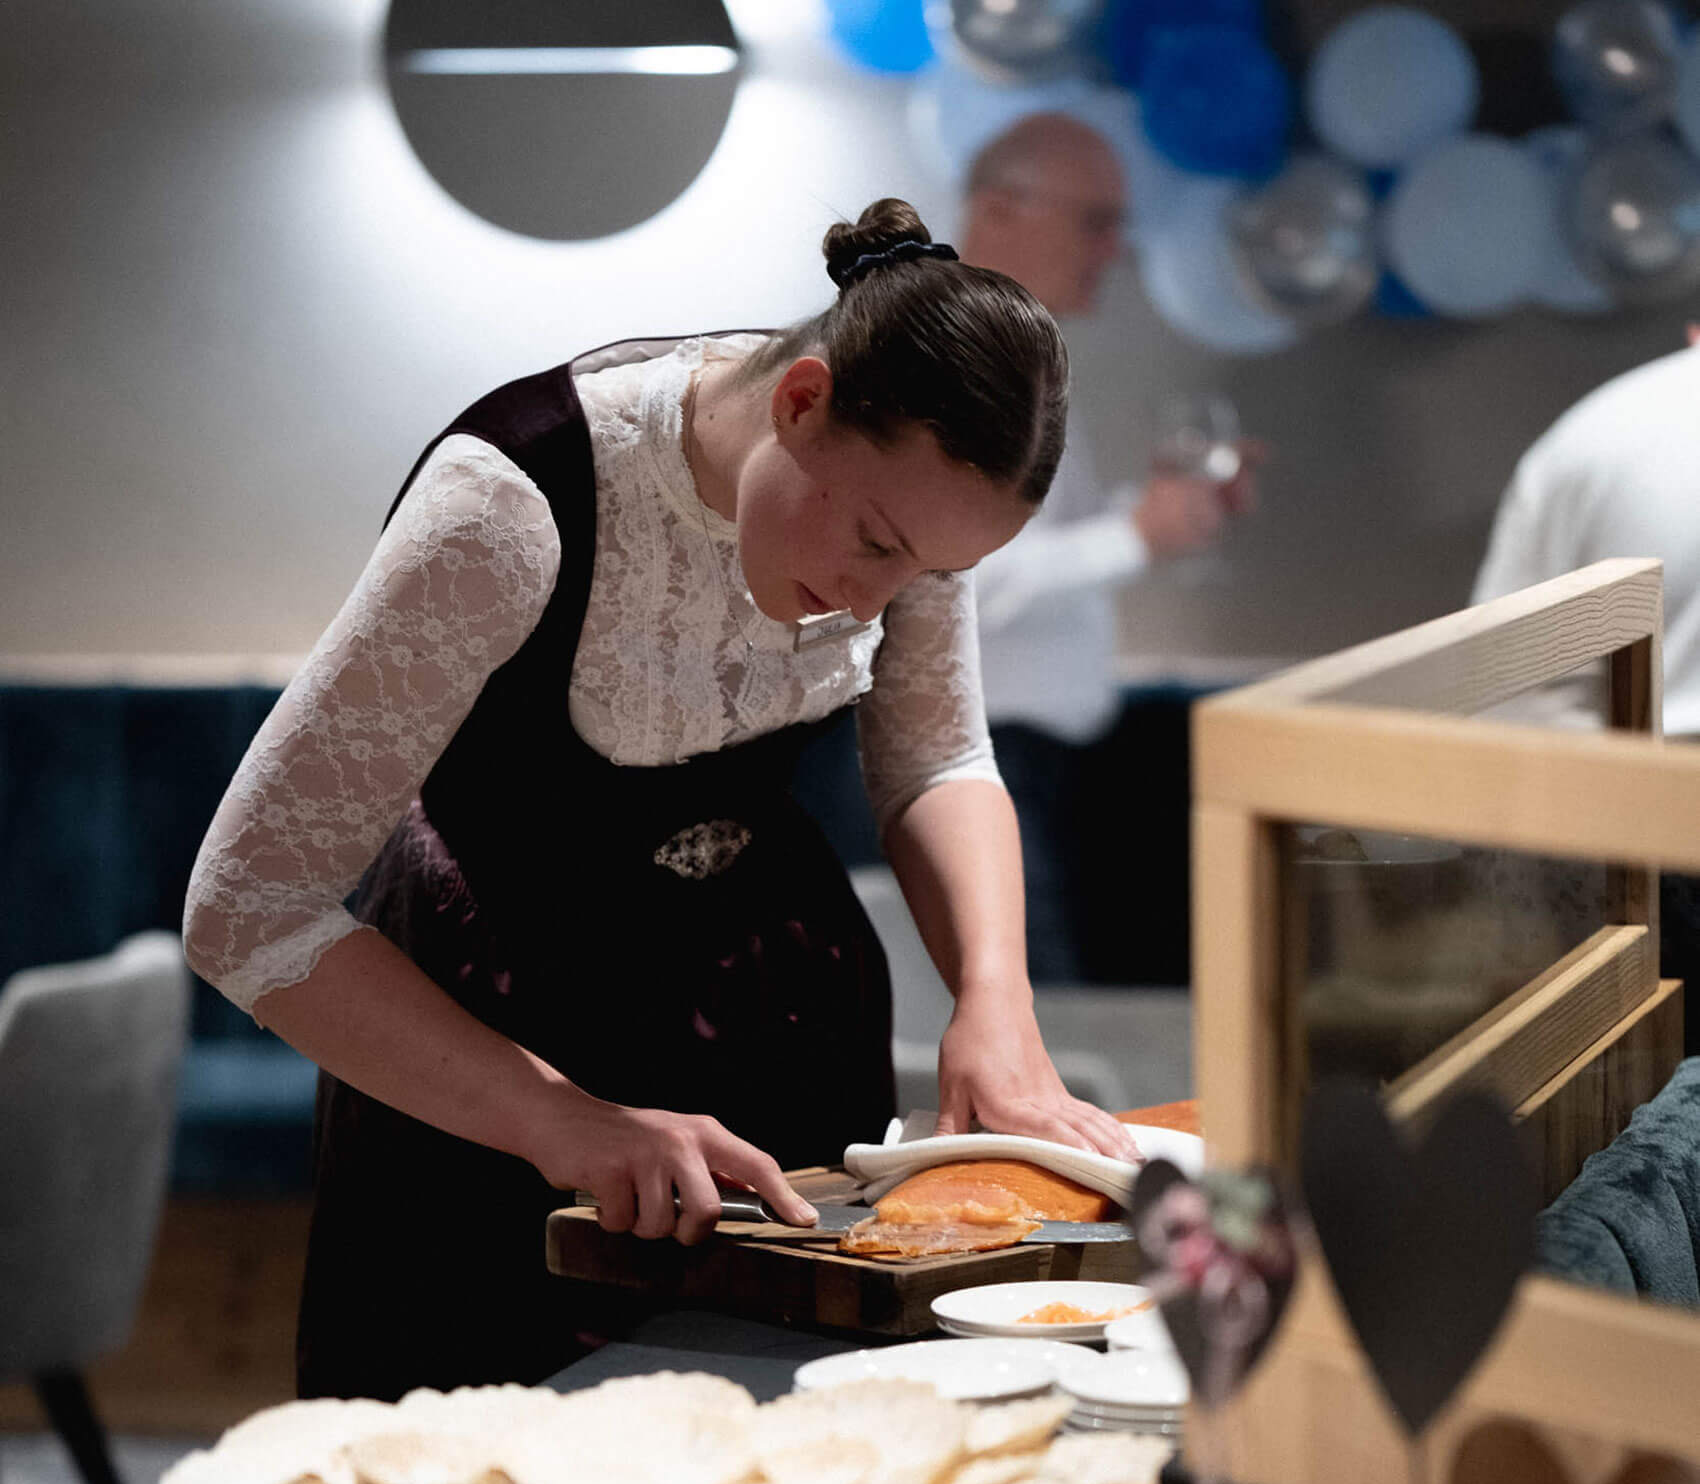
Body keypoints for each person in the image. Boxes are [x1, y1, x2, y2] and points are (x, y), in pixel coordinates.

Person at [183, 198, 1140, 1401]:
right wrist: (567, 1125)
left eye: (924, 574)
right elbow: (247, 906)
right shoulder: (510, 504)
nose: (874, 600)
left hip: (775, 1020)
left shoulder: (905, 510)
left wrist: (993, 1003)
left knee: (785, 1476)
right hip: (498, 1050)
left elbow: (935, 760)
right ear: (800, 402)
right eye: (877, 545)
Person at [955, 112, 1260, 982]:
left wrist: (1159, 513)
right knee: (1035, 1036)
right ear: (1001, 208)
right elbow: (943, 578)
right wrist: (1135, 533)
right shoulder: (951, 360)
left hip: (1038, 769)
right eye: (1095, 220)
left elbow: (1034, 542)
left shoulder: (1016, 353)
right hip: (984, 767)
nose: (1115, 250)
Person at [1472, 330, 1700, 1051]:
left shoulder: (1592, 435)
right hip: (1637, 833)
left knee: (1644, 1130)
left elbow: (1501, 691)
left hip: (1624, 840)